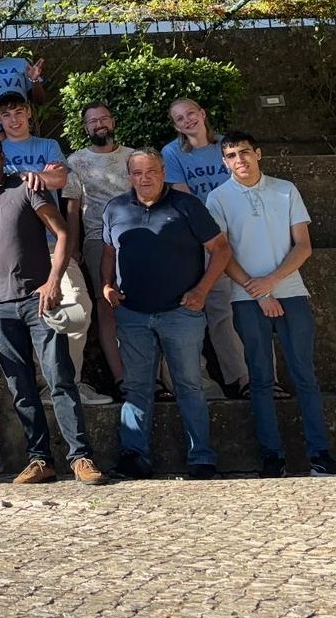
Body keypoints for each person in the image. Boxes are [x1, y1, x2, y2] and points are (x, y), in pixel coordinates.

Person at [0, 133, 108, 485]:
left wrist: (53, 281)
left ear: (1, 154)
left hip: (39, 302)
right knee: (20, 388)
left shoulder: (26, 188)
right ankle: (40, 460)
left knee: (59, 379)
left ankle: (80, 457)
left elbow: (63, 233)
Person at [207, 132, 336, 478]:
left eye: (244, 152)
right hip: (246, 298)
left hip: (292, 292)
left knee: (304, 375)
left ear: (257, 153)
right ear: (224, 162)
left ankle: (320, 454)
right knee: (259, 377)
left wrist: (271, 283)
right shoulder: (218, 198)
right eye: (231, 156)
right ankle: (272, 456)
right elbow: (222, 255)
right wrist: (260, 293)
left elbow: (303, 246)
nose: (239, 160)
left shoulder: (286, 190)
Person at [100, 149, 232, 480]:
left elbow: (220, 249)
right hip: (133, 313)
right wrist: (106, 285)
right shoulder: (115, 208)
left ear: (163, 172)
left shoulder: (187, 205)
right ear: (129, 176)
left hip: (180, 313)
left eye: (152, 171)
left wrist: (201, 291)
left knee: (189, 385)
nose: (145, 178)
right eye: (138, 173)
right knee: (136, 387)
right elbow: (109, 251)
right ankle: (135, 458)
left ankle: (201, 458)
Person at [0, 91, 108, 405]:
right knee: (32, 314)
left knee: (79, 307)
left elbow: (60, 179)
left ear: (29, 113)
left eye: (19, 112)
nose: (14, 119)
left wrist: (31, 176)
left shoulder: (48, 145)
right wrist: (31, 176)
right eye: (7, 115)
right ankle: (48, 385)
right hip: (13, 247)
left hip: (53, 243)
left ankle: (70, 382)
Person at [163, 97, 250, 400]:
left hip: (239, 232)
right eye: (180, 118)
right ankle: (230, 378)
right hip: (205, 239)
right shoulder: (172, 153)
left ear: (202, 113)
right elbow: (185, 200)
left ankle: (252, 377)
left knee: (243, 307)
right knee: (216, 308)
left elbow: (244, 184)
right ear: (176, 126)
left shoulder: (227, 145)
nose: (187, 120)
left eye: (191, 113)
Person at [65, 102, 134, 397]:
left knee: (142, 307)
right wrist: (73, 246)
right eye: (92, 121)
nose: (99, 124)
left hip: (138, 238)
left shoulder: (133, 157)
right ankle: (121, 378)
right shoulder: (76, 161)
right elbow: (72, 208)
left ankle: (150, 377)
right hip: (97, 238)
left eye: (103, 118)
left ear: (113, 121)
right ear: (85, 128)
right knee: (106, 308)